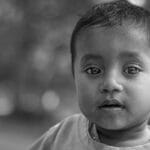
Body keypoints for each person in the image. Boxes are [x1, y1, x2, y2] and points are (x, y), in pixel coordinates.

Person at [29, 0, 150, 149]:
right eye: (93, 70)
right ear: (74, 76)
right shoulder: (63, 135)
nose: (110, 83)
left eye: (131, 70)